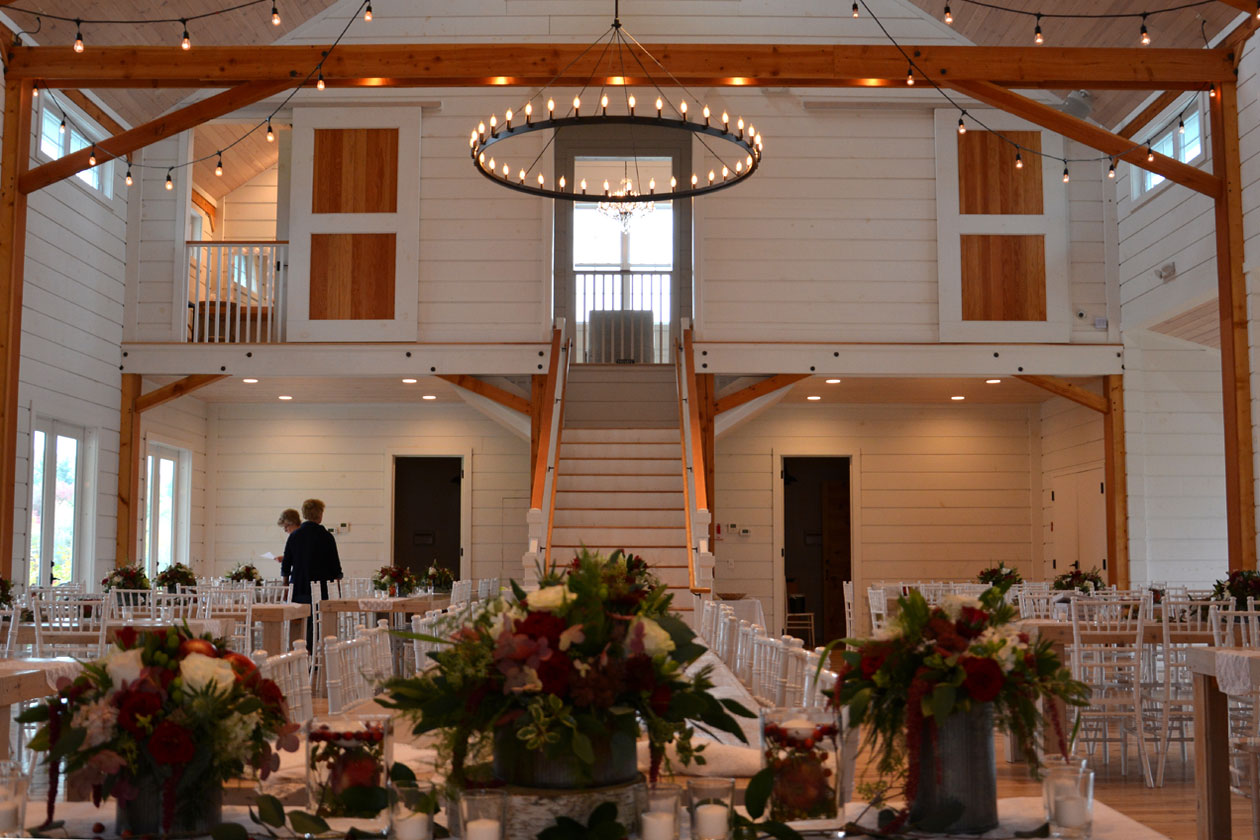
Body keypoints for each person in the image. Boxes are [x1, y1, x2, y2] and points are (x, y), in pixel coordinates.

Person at [282, 498, 344, 647]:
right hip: (321, 588)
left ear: (304, 514)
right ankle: (311, 651)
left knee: (298, 621)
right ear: (320, 515)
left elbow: (286, 564)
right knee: (316, 624)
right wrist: (337, 587)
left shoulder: (295, 536)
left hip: (299, 586)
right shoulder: (327, 537)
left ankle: (297, 652)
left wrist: (285, 587)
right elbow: (335, 567)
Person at [276, 508, 301, 585]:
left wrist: (285, 583)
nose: (285, 530)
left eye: (286, 527)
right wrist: (285, 558)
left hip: (299, 579)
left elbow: (287, 565)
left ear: (292, 523)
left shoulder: (295, 537)